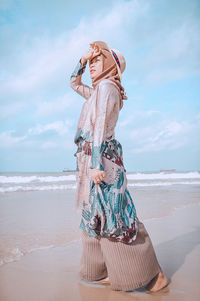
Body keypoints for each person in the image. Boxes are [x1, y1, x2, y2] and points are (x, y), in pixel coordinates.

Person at [69, 41, 169, 292]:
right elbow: (73, 83)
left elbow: (100, 126)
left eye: (97, 60)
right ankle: (104, 270)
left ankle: (153, 277)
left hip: (101, 159)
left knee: (116, 216)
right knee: (94, 216)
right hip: (93, 158)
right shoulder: (97, 91)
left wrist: (94, 165)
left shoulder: (106, 87)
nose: (92, 67)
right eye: (90, 63)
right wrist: (81, 61)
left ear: (112, 64)